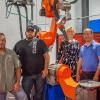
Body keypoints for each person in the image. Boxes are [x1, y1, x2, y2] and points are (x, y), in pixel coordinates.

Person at [14, 25, 50, 100]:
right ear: (25, 33)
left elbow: (46, 56)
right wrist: (16, 72)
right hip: (26, 75)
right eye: (28, 31)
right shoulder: (19, 44)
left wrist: (46, 70)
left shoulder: (40, 42)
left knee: (39, 94)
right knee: (25, 94)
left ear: (34, 33)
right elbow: (13, 57)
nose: (30, 33)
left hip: (40, 75)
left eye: (32, 31)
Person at [0, 32, 28, 100]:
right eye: (0, 40)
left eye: (3, 40)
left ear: (5, 41)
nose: (1, 42)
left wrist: (18, 83)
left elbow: (18, 68)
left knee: (23, 97)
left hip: (12, 84)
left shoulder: (12, 53)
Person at [76, 28, 100, 100]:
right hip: (84, 75)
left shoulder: (97, 46)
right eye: (84, 34)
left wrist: (96, 75)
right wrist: (77, 73)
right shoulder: (82, 47)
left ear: (92, 35)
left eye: (88, 33)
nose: (86, 35)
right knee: (84, 95)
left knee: (95, 96)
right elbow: (80, 61)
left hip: (94, 75)